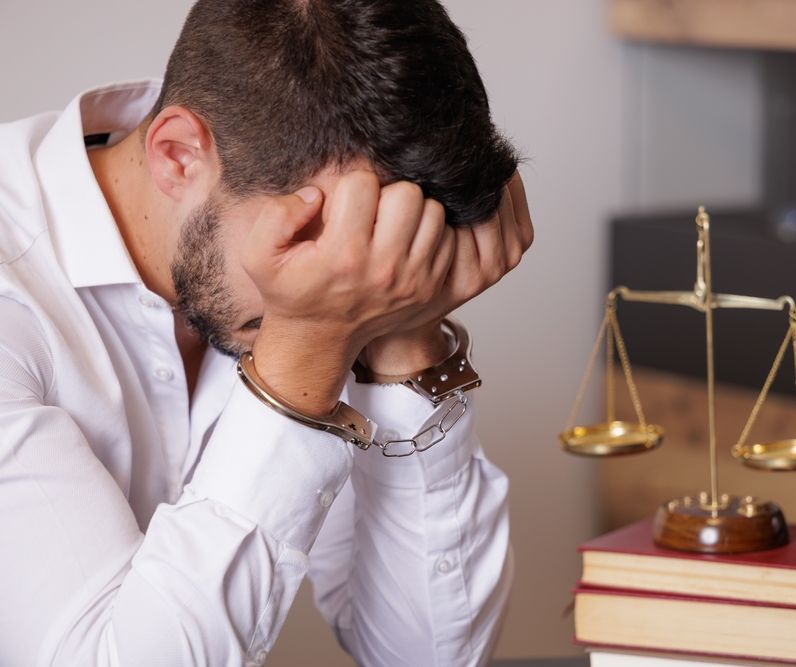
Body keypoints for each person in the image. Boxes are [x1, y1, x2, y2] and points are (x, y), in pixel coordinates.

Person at [0, 0, 533, 665]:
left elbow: (428, 657)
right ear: (178, 157)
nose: (353, 275)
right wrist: (304, 347)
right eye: (322, 239)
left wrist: (407, 339)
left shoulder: (348, 279)